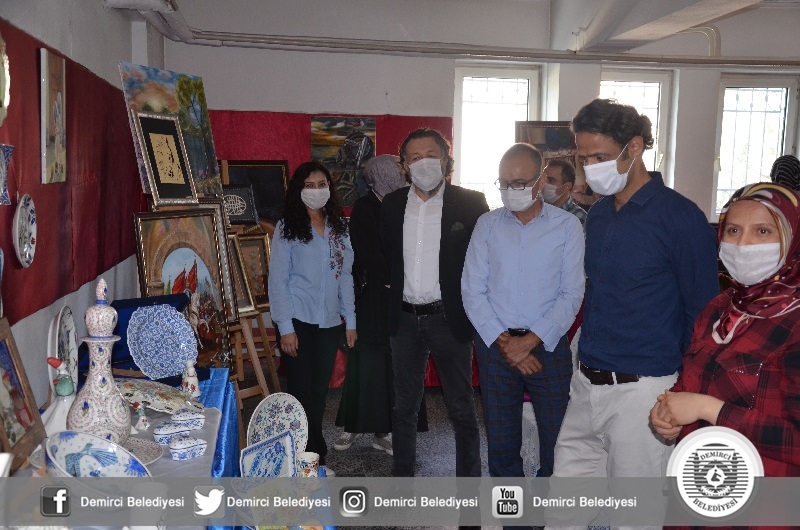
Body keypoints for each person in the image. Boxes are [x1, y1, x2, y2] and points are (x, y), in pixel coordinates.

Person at [547, 99, 719, 530]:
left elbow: (703, 314)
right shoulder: (600, 214)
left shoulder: (680, 218)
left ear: (635, 148)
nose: (590, 168)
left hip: (644, 391)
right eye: (583, 158)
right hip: (587, 381)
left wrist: (682, 392)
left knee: (636, 516)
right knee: (564, 509)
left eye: (600, 157)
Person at [651, 182, 800, 480]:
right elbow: (695, 378)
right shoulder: (720, 307)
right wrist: (668, 410)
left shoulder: (793, 322)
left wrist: (709, 409)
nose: (744, 244)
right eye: (733, 230)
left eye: (763, 231)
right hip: (700, 481)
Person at [461, 143, 584, 495]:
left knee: (557, 444)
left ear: (541, 180)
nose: (509, 190)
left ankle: (548, 513)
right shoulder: (487, 225)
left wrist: (528, 342)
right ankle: (514, 516)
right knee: (501, 447)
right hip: (495, 348)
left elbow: (571, 293)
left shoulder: (566, 227)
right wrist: (508, 344)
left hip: (548, 347)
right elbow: (472, 290)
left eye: (519, 183)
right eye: (503, 183)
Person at [380, 128, 488, 478]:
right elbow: (387, 257)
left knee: (461, 409)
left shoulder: (471, 203)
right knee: (404, 407)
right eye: (415, 157)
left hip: (449, 318)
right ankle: (402, 476)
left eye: (431, 154)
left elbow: (484, 260)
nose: (423, 162)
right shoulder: (392, 204)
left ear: (445, 159)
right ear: (405, 166)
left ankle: (469, 484)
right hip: (404, 319)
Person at [334, 154, 429, 454]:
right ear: (377, 177)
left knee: (395, 364)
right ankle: (352, 426)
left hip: (403, 296)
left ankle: (385, 430)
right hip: (374, 298)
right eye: (393, 171)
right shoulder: (365, 207)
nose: (399, 176)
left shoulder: (406, 202)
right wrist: (394, 277)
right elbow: (369, 254)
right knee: (366, 364)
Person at [268, 160, 357, 471]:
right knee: (300, 394)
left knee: (318, 395)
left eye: (322, 185)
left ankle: (309, 458)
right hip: (298, 322)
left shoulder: (339, 228)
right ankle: (306, 459)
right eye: (309, 185)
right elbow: (278, 280)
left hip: (329, 323)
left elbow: (345, 277)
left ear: (329, 189)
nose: (316, 190)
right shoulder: (287, 228)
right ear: (298, 189)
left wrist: (351, 320)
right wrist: (285, 328)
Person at [541, 158, 588, 226]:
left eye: (551, 180)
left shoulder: (579, 217)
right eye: (543, 179)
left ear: (567, 186)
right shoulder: (536, 211)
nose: (544, 184)